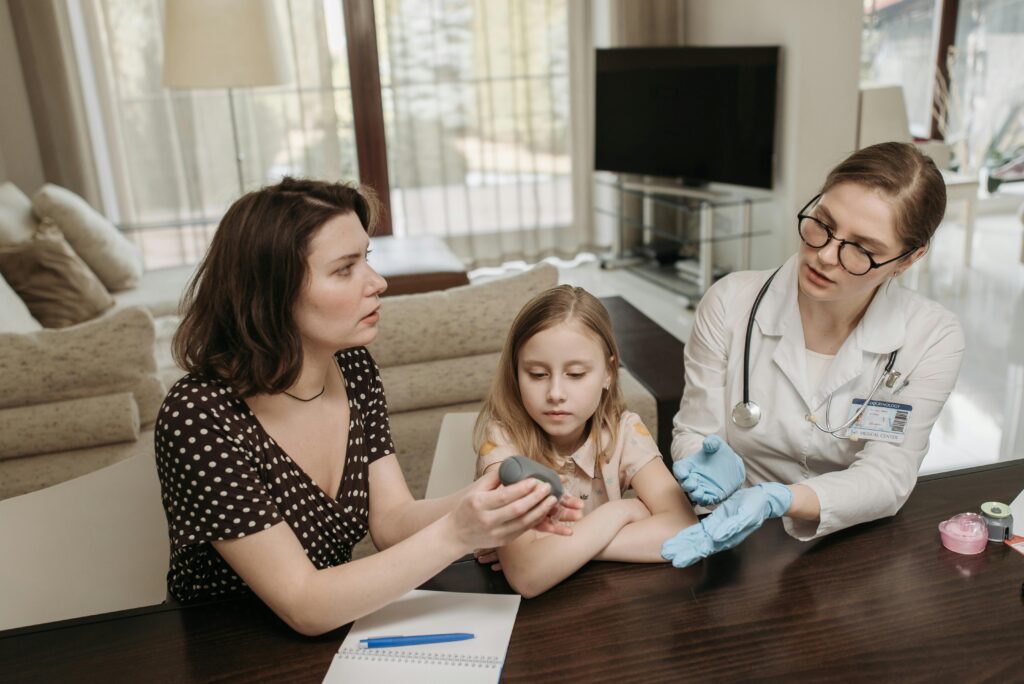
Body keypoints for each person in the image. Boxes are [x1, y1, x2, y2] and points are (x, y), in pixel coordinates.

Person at [154, 178, 582, 635]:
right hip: (228, 646)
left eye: (367, 260)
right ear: (271, 292)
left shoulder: (352, 367)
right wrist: (458, 533)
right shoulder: (198, 416)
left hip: (339, 632)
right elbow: (303, 603)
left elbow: (392, 522)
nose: (378, 283)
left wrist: (490, 501)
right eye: (344, 269)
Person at [662, 142, 966, 568]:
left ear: (908, 259)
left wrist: (779, 500)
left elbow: (887, 477)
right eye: (822, 223)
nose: (824, 255)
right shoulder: (731, 302)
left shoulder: (931, 337)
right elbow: (696, 431)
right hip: (728, 533)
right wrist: (705, 472)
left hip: (847, 546)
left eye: (862, 249)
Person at [474, 285, 698, 597]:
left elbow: (685, 530)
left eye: (576, 374)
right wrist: (622, 512)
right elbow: (527, 576)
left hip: (602, 605)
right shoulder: (503, 440)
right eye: (537, 374)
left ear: (608, 372)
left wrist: (558, 551)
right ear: (515, 372)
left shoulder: (625, 431)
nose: (555, 393)